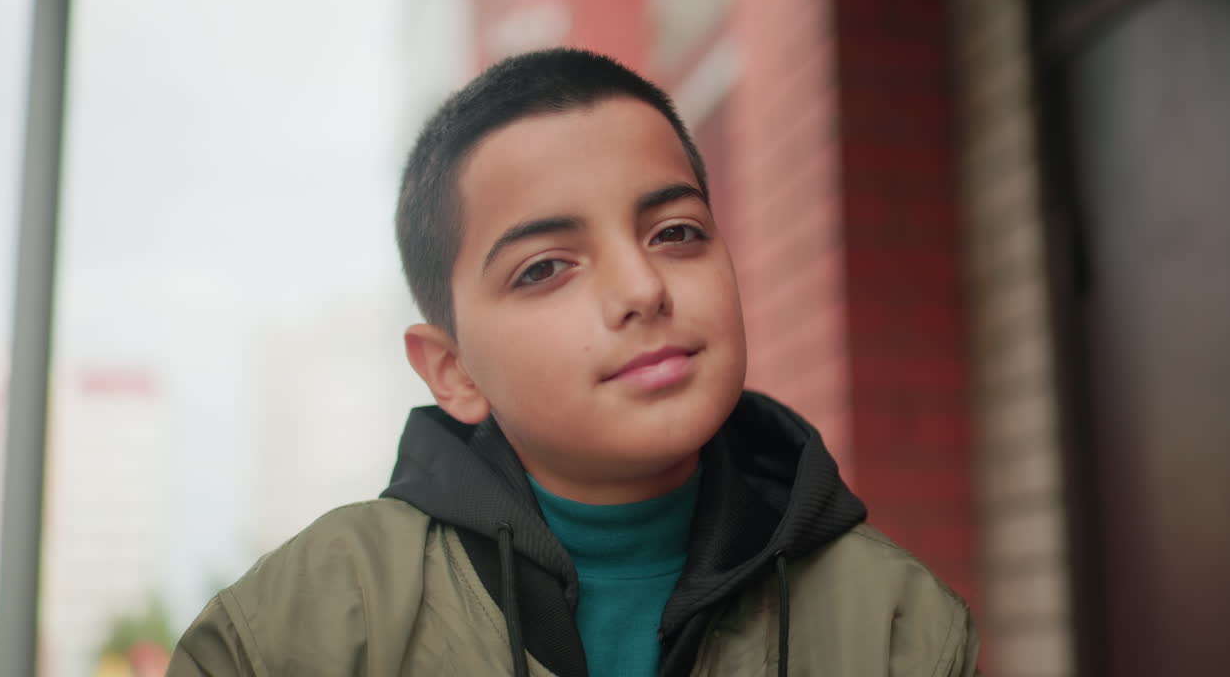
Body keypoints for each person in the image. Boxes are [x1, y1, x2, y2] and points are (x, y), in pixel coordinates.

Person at [168, 48, 978, 677]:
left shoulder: (895, 626)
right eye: (546, 268)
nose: (642, 289)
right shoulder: (307, 627)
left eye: (676, 233)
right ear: (453, 370)